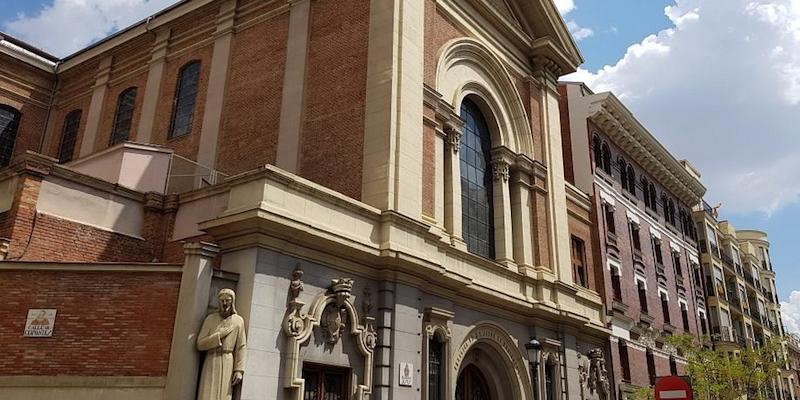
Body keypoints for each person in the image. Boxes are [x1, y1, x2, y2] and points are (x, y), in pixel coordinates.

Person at [197, 288, 247, 400]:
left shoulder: (238, 321)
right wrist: (218, 336)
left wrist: (239, 370)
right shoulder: (210, 319)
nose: (225, 303)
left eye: (228, 300)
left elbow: (241, 346)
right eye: (222, 300)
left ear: (232, 302)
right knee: (208, 393)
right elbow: (200, 344)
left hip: (228, 359)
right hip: (211, 359)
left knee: (224, 394)